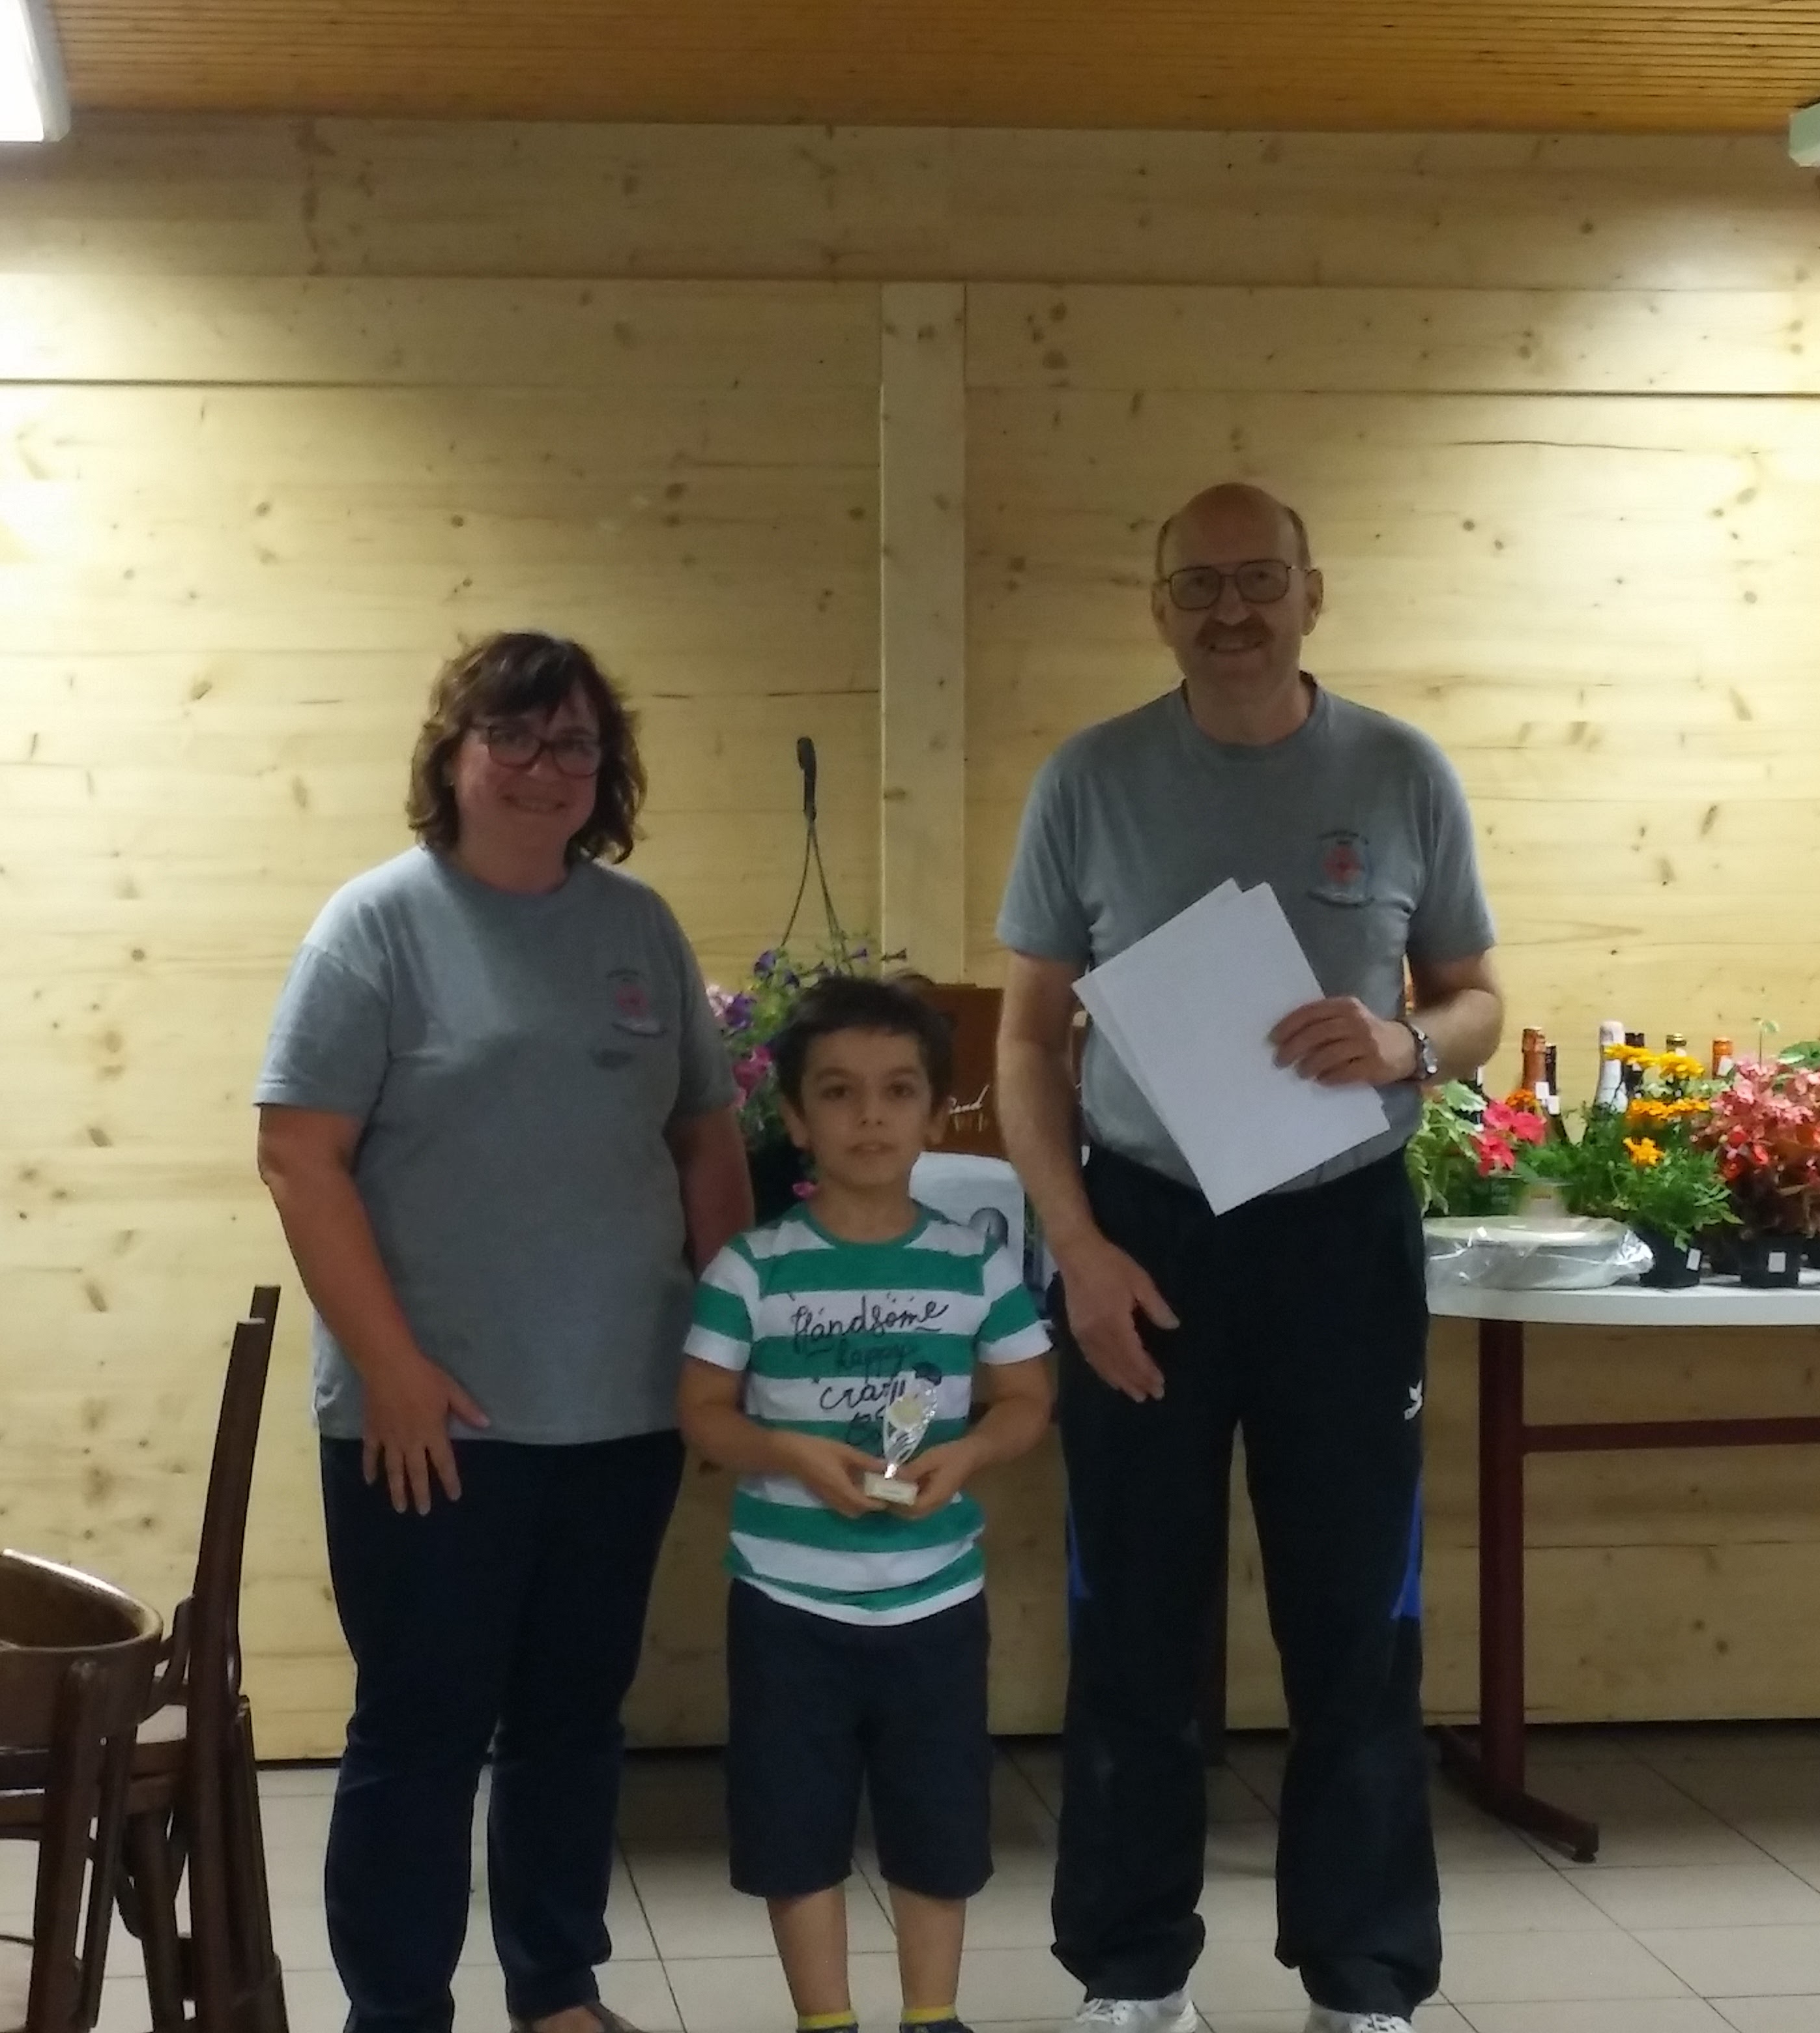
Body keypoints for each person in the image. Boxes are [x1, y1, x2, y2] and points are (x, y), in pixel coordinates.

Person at [994, 483, 1505, 2033]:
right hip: (1143, 1239)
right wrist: (1075, 1247)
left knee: (1357, 1624)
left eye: (1259, 580)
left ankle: (1366, 1979)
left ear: (1311, 593)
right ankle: (1130, 1974)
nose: (1232, 610)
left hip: (1342, 1242)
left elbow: (1476, 999)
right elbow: (1026, 1041)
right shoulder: (1091, 779)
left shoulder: (1399, 772)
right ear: (1160, 607)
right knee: (1132, 1620)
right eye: (1200, 585)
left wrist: (1405, 1042)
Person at [255, 630, 753, 2033]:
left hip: (622, 1413)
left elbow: (705, 1137)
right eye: (515, 737)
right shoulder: (375, 926)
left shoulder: (639, 929)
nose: (546, 767)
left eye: (575, 742)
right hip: (430, 1426)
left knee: (573, 1725)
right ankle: (398, 2009)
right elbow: (298, 1156)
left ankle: (555, 1990)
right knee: (419, 1732)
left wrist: (728, 1345)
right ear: (455, 755)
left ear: (608, 769)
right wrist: (395, 1372)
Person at [676, 975, 1054, 2033]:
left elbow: (1028, 1398)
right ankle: (826, 2020)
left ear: (936, 1113)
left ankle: (933, 2014)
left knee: (940, 1824)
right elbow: (703, 1413)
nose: (871, 1117)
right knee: (793, 1828)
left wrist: (968, 1452)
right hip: (787, 1607)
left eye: (898, 1091)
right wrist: (787, 1452)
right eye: (838, 1093)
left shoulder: (977, 1264)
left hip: (936, 1603)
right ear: (796, 1120)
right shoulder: (750, 1270)